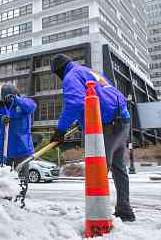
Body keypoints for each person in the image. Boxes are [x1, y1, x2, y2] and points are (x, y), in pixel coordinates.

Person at [49, 54, 136, 222]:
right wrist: (81, 121)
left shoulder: (70, 76)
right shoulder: (86, 71)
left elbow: (75, 102)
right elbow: (92, 98)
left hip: (107, 125)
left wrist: (60, 130)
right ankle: (125, 210)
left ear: (59, 71)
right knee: (119, 169)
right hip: (122, 120)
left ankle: (98, 216)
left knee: (98, 169)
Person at [0, 85, 37, 204]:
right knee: (3, 178)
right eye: (5, 97)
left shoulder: (24, 102)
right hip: (4, 150)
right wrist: (0, 118)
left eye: (10, 96)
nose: (7, 99)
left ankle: (20, 201)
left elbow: (32, 106)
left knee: (22, 179)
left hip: (22, 149)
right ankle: (6, 202)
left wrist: (17, 100)